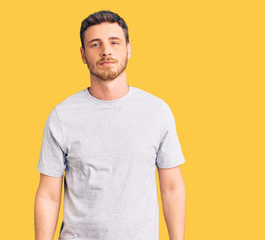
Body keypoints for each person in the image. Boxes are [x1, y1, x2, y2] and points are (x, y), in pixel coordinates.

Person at [34, 10, 186, 240]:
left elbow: (172, 187)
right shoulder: (62, 116)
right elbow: (48, 195)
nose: (106, 50)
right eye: (95, 44)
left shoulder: (157, 112)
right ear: (83, 55)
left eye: (114, 42)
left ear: (128, 49)